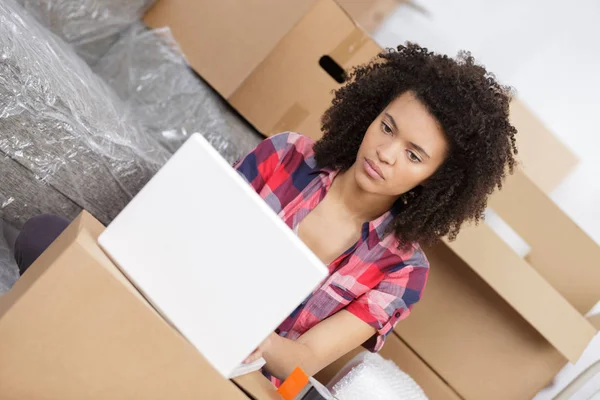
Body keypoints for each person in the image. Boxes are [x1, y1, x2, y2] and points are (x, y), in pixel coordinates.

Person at [14, 43, 518, 384]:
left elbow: (300, 363)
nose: (386, 153)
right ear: (371, 114)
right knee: (44, 237)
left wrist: (232, 322)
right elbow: (186, 229)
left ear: (437, 179)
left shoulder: (403, 271)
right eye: (388, 128)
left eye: (414, 155)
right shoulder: (287, 155)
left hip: (232, 367)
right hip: (166, 294)